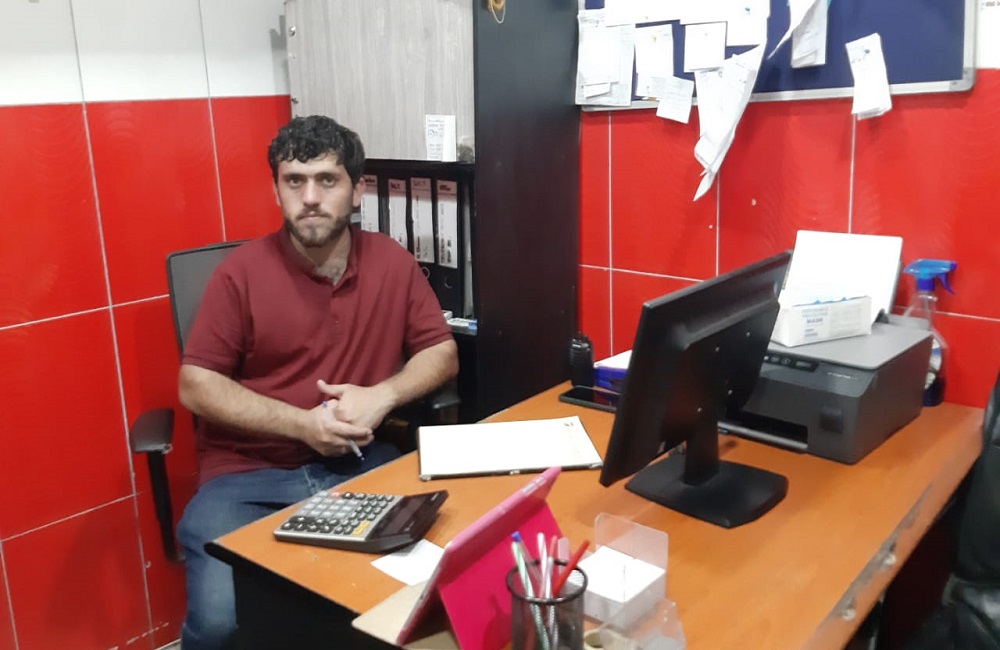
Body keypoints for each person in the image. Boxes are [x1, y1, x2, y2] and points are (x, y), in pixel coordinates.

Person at [175, 115, 459, 650]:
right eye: (294, 181)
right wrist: (302, 425)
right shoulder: (240, 274)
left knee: (427, 587)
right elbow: (196, 384)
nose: (309, 197)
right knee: (219, 624)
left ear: (356, 189)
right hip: (245, 480)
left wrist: (384, 395)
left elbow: (441, 353)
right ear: (276, 190)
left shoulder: (391, 262)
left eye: (327, 180)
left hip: (359, 466)